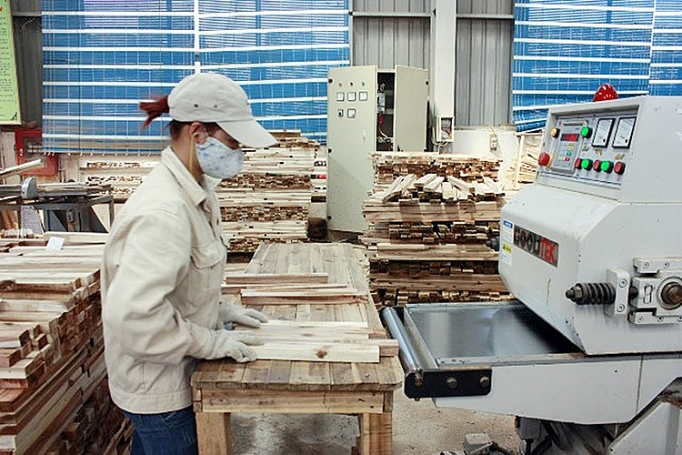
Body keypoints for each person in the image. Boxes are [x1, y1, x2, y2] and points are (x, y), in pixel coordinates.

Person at [100, 72, 277, 455]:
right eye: (232, 141)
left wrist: (219, 308)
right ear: (197, 132)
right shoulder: (164, 211)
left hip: (174, 375)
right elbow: (136, 318)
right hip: (162, 391)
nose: (239, 153)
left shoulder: (197, 190)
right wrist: (210, 341)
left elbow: (180, 283)